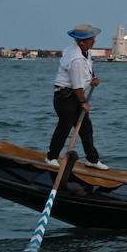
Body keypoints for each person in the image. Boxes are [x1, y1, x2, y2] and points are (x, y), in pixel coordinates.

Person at [46, 23, 107, 169]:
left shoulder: (85, 52)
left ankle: (92, 160)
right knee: (64, 127)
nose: (94, 40)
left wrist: (92, 79)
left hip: (75, 96)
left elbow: (86, 73)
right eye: (92, 38)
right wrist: (83, 102)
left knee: (86, 128)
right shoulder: (76, 58)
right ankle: (51, 157)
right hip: (65, 97)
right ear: (82, 41)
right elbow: (77, 86)